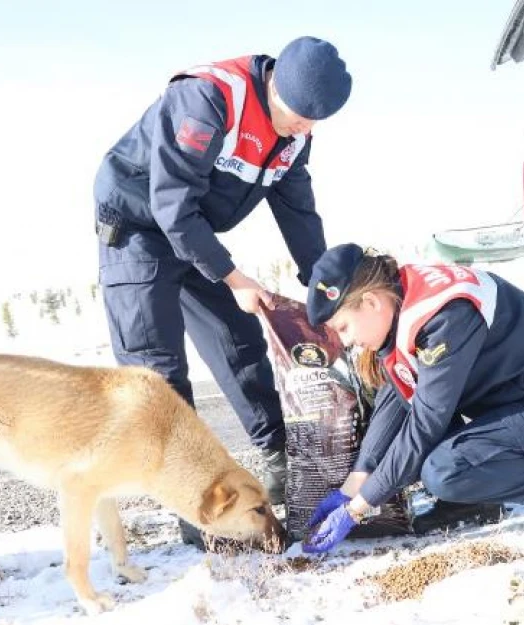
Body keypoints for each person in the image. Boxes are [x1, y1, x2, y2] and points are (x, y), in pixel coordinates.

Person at [91, 36, 352, 522]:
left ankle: (283, 463)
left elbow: (298, 208)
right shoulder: (208, 99)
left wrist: (326, 291)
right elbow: (171, 206)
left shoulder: (296, 132)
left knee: (239, 341)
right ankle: (195, 505)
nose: (305, 126)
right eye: (299, 113)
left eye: (315, 120)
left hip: (194, 230)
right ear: (275, 86)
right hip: (139, 226)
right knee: (158, 375)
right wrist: (235, 278)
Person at [300, 244, 524, 554]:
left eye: (343, 327)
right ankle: (475, 500)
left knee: (443, 470)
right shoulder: (402, 299)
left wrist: (357, 508)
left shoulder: (442, 318)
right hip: (516, 404)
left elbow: (425, 423)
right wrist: (356, 480)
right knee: (414, 462)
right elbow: (397, 394)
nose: (347, 341)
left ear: (370, 302)